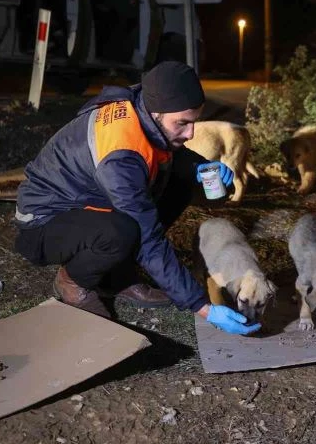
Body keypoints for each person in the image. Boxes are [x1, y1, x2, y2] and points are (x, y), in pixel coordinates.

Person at [14, 61, 260, 335]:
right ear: (156, 113)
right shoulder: (121, 156)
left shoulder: (143, 104)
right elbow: (148, 238)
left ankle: (117, 278)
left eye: (194, 122)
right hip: (44, 221)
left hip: (88, 199)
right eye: (182, 123)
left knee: (179, 183)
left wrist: (197, 167)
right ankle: (73, 280)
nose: (190, 133)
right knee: (125, 231)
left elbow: (167, 148)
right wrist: (202, 306)